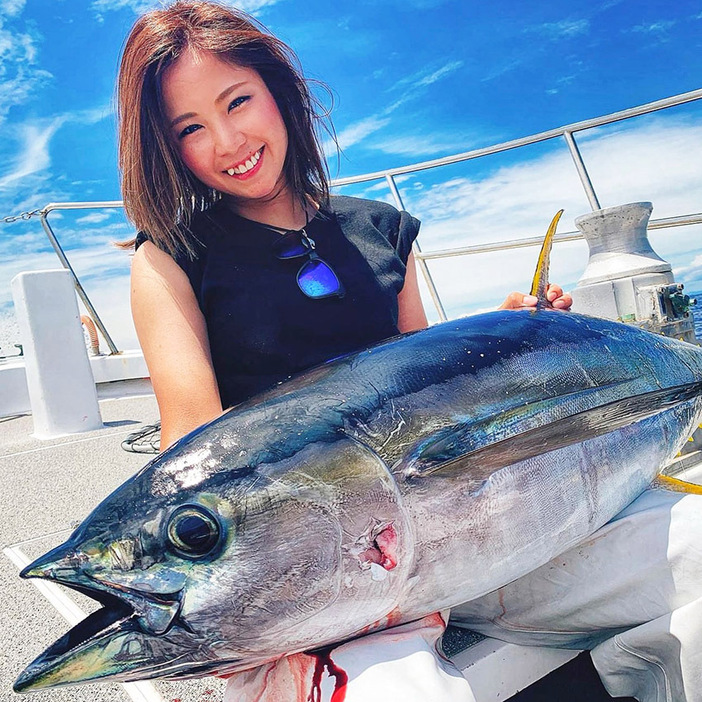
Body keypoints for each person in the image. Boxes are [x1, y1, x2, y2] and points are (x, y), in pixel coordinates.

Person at [119, 3, 701, 701]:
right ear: (166, 147)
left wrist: (505, 337)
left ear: (278, 91)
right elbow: (192, 436)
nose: (226, 139)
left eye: (236, 101)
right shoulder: (172, 260)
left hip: (488, 530)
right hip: (326, 574)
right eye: (190, 128)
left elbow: (419, 370)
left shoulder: (382, 230)